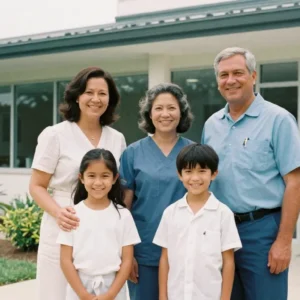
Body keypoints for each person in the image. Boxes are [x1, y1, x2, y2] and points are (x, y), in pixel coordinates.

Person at [201, 47, 300, 300]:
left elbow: (295, 182)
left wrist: (284, 242)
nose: (230, 80)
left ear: (253, 76)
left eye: (238, 73)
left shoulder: (279, 120)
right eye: (223, 75)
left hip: (263, 232)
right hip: (220, 231)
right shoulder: (212, 125)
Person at [29, 67, 127, 300]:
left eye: (102, 93)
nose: (96, 99)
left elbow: (117, 185)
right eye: (89, 92)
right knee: (56, 292)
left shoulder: (117, 138)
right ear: (76, 96)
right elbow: (36, 185)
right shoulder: (55, 135)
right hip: (63, 222)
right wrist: (58, 213)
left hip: (103, 228)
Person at [119, 83, 194, 300]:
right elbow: (124, 208)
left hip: (185, 249)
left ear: (181, 112)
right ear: (149, 114)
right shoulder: (132, 154)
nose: (165, 114)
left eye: (171, 108)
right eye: (158, 108)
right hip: (144, 251)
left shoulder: (192, 153)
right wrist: (127, 255)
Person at [153, 143, 242, 300]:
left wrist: (225, 298)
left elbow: (228, 261)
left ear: (214, 174)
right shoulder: (170, 213)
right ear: (179, 174)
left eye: (202, 171)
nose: (195, 178)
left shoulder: (223, 214)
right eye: (188, 171)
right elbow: (165, 258)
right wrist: (162, 296)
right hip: (177, 295)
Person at [57, 148, 141, 300]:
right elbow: (65, 260)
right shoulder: (72, 215)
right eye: (91, 176)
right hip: (79, 288)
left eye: (105, 176)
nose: (98, 182)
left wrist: (110, 294)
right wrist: (83, 295)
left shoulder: (123, 215)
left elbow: (127, 260)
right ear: (81, 178)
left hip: (114, 288)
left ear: (115, 178)